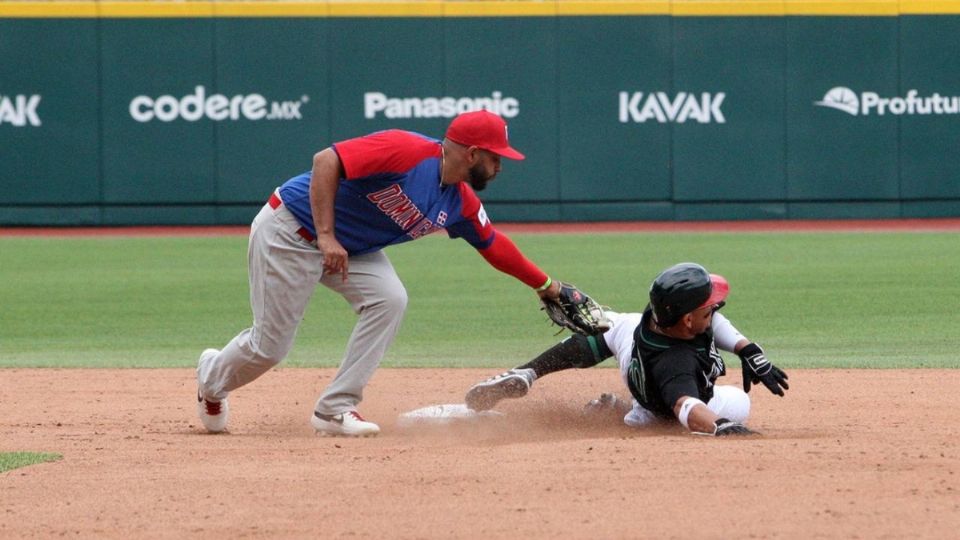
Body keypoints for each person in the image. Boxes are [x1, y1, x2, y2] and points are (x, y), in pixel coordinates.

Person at [197, 110, 563, 437]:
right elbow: (326, 161)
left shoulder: (460, 201)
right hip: (293, 229)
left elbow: (494, 244)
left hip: (349, 248)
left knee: (389, 299)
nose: (500, 166)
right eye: (495, 157)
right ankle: (212, 379)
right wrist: (325, 235)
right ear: (471, 154)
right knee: (269, 347)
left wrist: (546, 285)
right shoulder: (406, 150)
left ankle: (334, 408)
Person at [464, 262, 789, 436]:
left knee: (607, 329)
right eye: (708, 308)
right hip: (659, 398)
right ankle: (628, 413)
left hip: (631, 349)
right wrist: (720, 426)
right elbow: (685, 405)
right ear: (688, 320)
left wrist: (747, 349)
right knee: (737, 402)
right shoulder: (676, 364)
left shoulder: (655, 319)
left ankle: (529, 371)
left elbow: (709, 321)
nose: (714, 310)